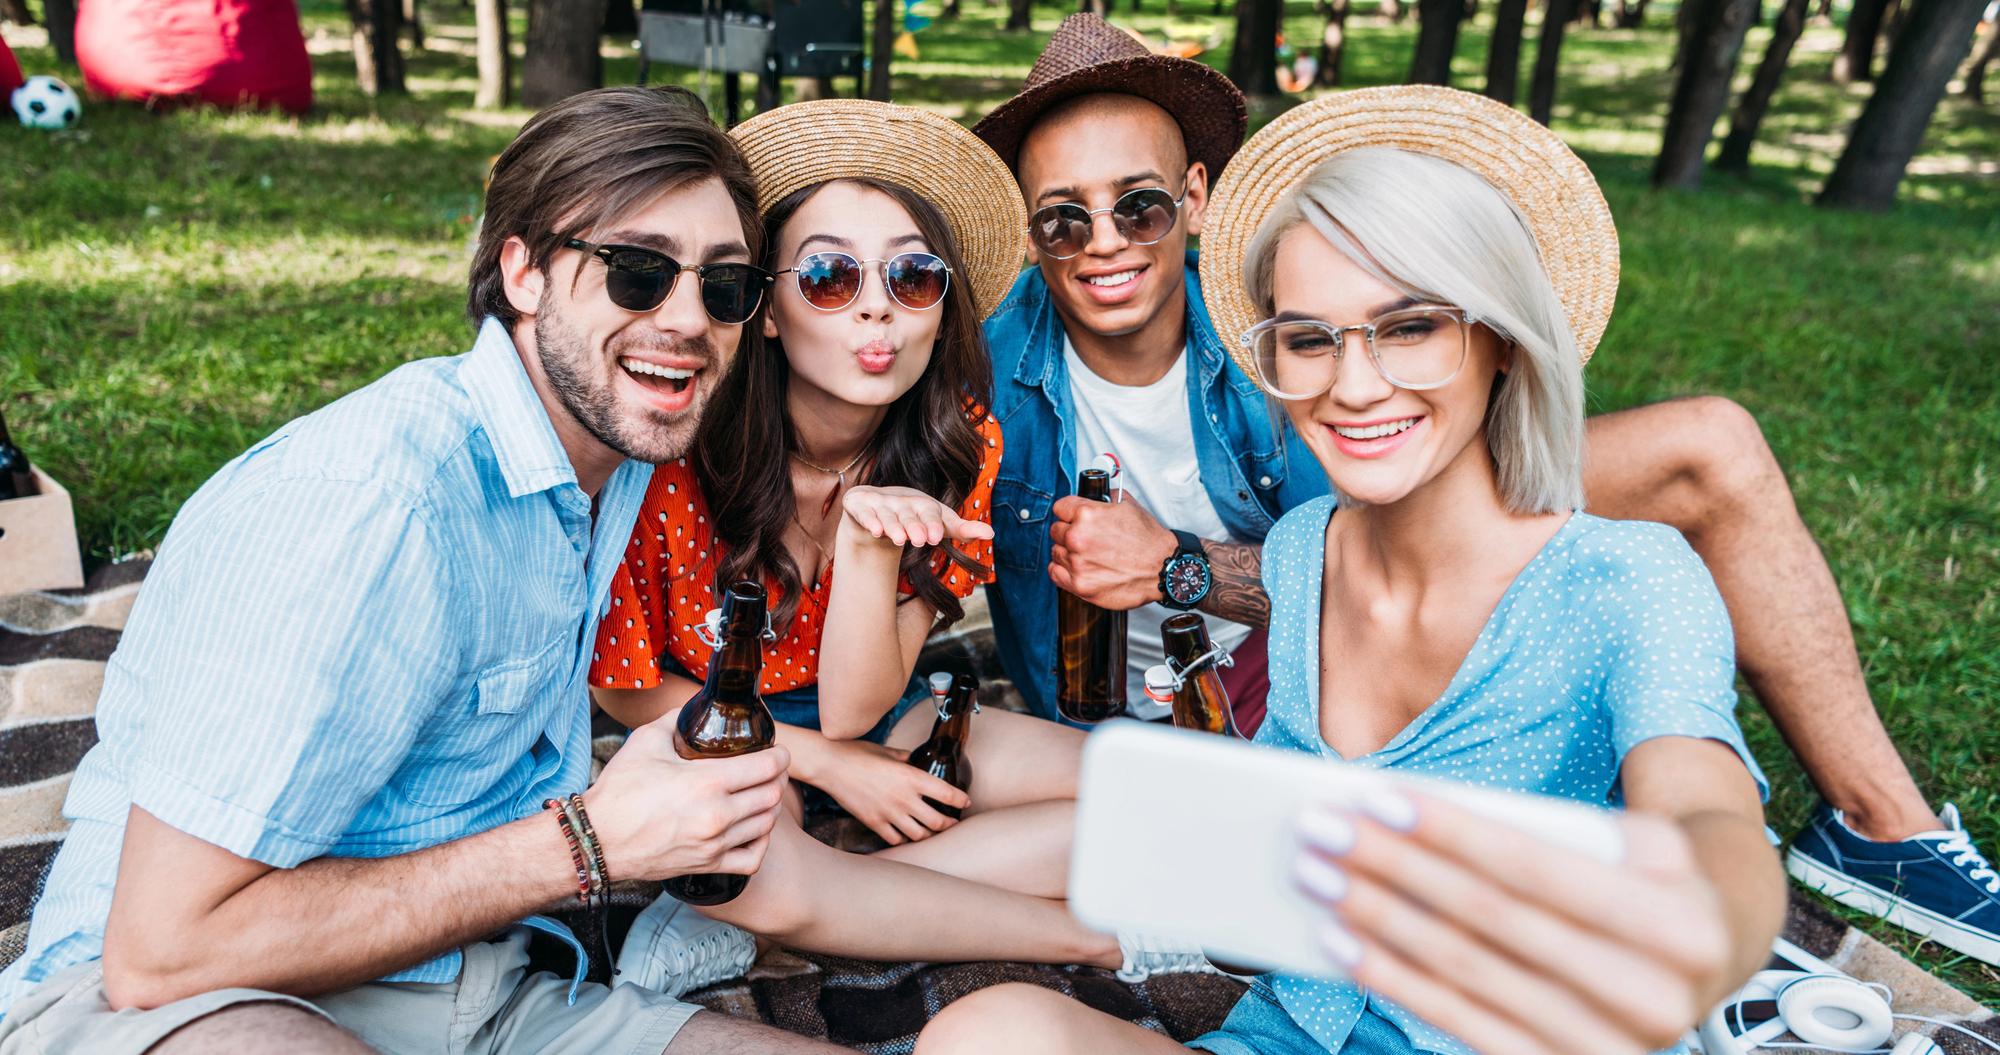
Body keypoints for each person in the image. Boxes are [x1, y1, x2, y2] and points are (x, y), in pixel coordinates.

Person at [972, 14, 1999, 962]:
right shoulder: (980, 371)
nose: (1104, 240)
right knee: (956, 812)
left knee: (1710, 444)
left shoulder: (1272, 326)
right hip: (1169, 718)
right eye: (1063, 220)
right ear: (1026, 233)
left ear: (1192, 199)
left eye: (1138, 205)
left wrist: (1175, 568)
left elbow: (1361, 575)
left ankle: (1879, 825)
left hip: (1316, 675)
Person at [918, 86, 1788, 1055]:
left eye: (1409, 326)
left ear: (1497, 337)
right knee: (985, 1029)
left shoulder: (1626, 577)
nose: (1355, 383)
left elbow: (1707, 811)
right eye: (1310, 339)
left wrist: (1696, 914)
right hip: (1286, 1032)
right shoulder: (1299, 552)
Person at [0, 87, 851, 1055]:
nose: (689, 317)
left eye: (726, 286)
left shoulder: (610, 461)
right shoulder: (376, 506)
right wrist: (592, 842)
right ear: (521, 271)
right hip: (178, 1003)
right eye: (636, 271)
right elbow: (158, 951)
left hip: (477, 987)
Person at [591, 99, 1170, 985]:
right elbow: (627, 686)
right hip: (706, 721)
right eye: (829, 278)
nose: (877, 313)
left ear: (940, 307)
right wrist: (827, 764)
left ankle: (833, 899)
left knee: (1147, 794)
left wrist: (867, 543)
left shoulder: (961, 439)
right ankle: (1071, 933)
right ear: (772, 310)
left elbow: (861, 708)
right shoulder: (680, 444)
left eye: (911, 279)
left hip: (871, 714)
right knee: (736, 828)